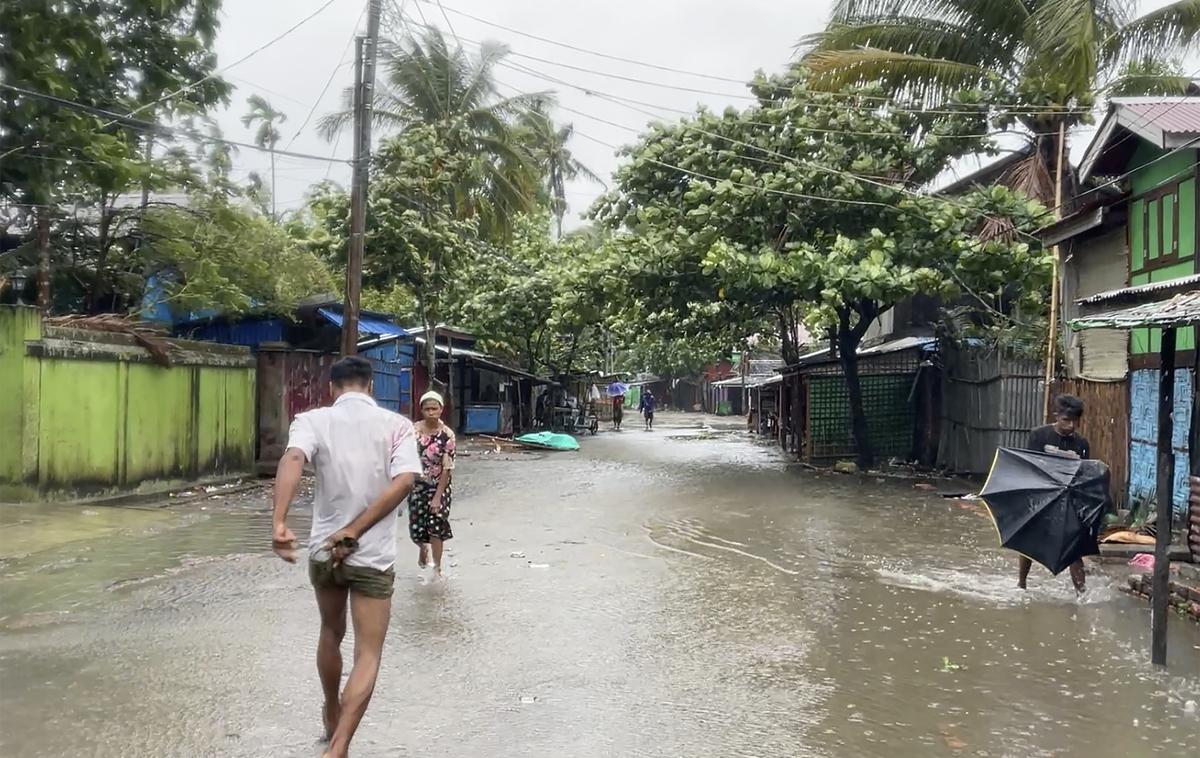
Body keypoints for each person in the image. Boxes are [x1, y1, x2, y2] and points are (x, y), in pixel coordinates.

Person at [271, 356, 422, 758]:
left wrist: (279, 522)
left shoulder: (311, 420)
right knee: (367, 653)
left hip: (324, 551)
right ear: (371, 387)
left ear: (332, 389)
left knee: (330, 633)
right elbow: (405, 480)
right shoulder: (398, 426)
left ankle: (331, 709)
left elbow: (292, 460)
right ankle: (339, 747)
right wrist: (356, 530)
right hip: (372, 555)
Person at [1020, 393, 1090, 593]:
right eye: (1066, 420)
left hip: (1067, 498)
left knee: (1074, 548)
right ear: (1056, 416)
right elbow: (1030, 465)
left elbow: (1083, 473)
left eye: (1075, 421)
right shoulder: (1039, 435)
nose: (1071, 426)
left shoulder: (1081, 444)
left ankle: (1082, 593)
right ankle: (1022, 583)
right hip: (1040, 494)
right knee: (1028, 542)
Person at [410, 391, 457, 575]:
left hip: (439, 485)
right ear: (421, 410)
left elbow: (447, 467)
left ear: (441, 410)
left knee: (437, 525)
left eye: (434, 408)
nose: (431, 412)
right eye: (427, 409)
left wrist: (438, 497)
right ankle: (423, 548)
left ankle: (437, 568)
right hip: (416, 485)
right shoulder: (412, 431)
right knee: (416, 527)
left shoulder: (447, 435)